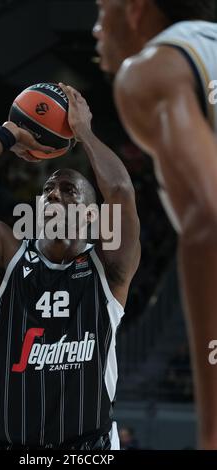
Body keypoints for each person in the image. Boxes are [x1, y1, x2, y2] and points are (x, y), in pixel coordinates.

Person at [0, 87, 140, 449]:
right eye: (48, 189)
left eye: (69, 190)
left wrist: (83, 131)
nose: (54, 193)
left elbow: (119, 189)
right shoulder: (6, 256)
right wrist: (9, 132)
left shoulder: (109, 266)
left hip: (89, 448)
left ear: (91, 215)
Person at [93, 0, 217, 449]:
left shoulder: (152, 69)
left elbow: (209, 220)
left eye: (100, 10)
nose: (94, 29)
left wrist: (211, 432)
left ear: (134, 9)